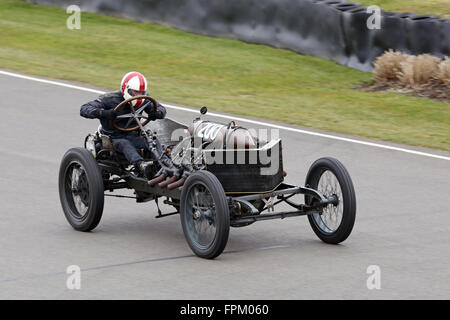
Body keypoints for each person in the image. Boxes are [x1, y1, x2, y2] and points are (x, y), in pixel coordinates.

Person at [80, 71, 166, 175]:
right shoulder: (109, 99)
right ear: (126, 89)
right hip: (112, 138)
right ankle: (141, 165)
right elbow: (84, 109)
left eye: (141, 92)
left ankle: (162, 164)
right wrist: (104, 113)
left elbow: (161, 109)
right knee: (124, 144)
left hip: (133, 135)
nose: (138, 95)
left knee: (152, 140)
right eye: (135, 92)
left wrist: (157, 113)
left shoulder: (145, 99)